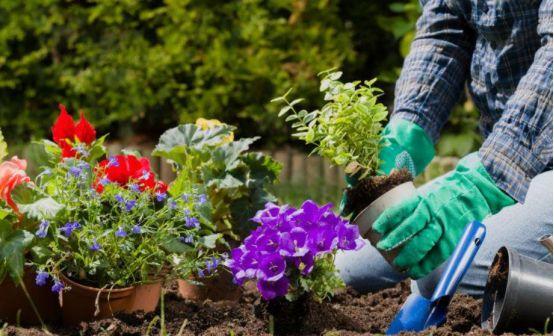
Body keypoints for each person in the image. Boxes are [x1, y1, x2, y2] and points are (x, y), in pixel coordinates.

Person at [336, 0, 553, 298]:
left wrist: (485, 179)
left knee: (442, 275)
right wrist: (410, 128)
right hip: (520, 173)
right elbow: (447, 26)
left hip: (527, 161)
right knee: (352, 262)